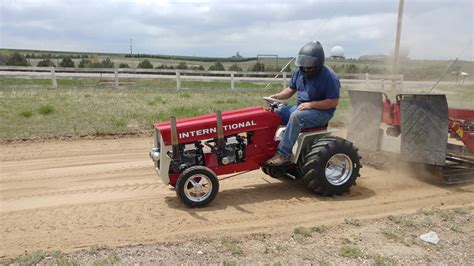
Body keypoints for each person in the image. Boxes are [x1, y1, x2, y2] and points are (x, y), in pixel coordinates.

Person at [266, 40, 340, 166]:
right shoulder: (299, 72)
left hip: (321, 112)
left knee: (296, 116)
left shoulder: (329, 77)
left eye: (309, 66)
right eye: (303, 65)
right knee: (275, 113)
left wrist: (311, 105)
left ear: (318, 63)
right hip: (301, 107)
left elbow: (333, 102)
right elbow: (290, 90)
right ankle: (267, 148)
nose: (305, 68)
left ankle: (283, 154)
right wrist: (277, 97)